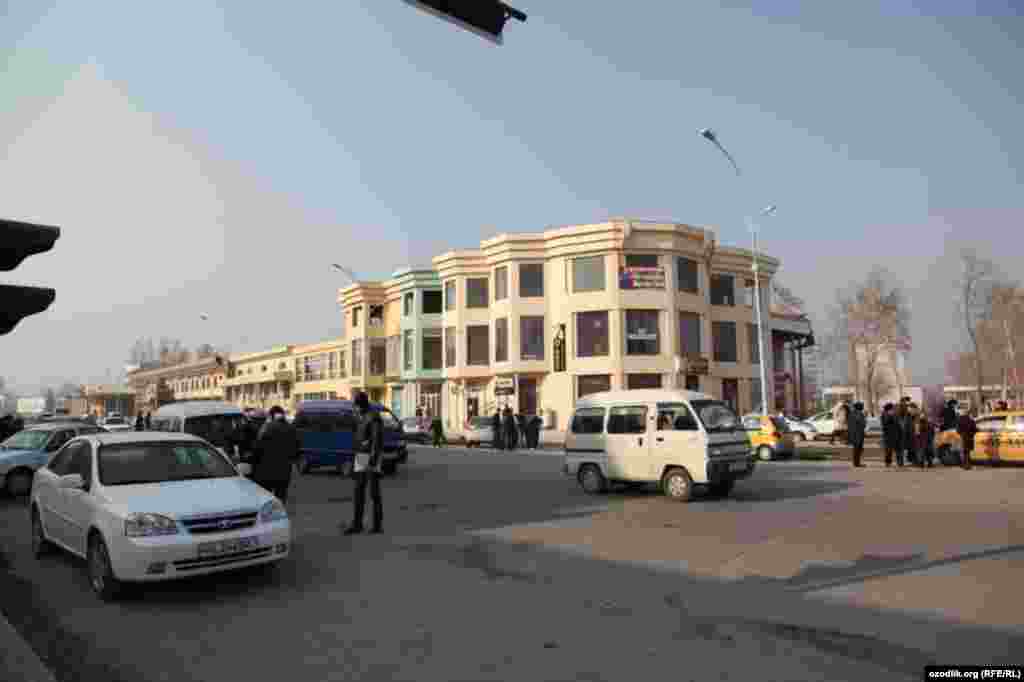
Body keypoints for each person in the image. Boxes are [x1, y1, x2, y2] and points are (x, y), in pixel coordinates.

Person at [345, 392, 384, 535]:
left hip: (371, 457)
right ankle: (357, 524)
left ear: (362, 405)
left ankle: (377, 525)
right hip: (361, 456)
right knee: (358, 491)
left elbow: (377, 438)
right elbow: (358, 437)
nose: (355, 408)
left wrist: (374, 457)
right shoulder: (360, 416)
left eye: (357, 406)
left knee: (374, 493)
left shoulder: (373, 417)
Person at [248, 405, 299, 503]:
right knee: (281, 496)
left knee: (266, 498)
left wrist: (253, 461)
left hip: (267, 469)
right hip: (284, 470)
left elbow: (258, 448)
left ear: (271, 416)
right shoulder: (291, 428)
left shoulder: (267, 428)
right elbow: (296, 449)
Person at [881, 403, 902, 467]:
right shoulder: (885, 414)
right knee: (888, 449)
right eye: (892, 408)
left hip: (894, 434)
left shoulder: (893, 414)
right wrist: (890, 416)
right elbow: (885, 424)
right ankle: (888, 462)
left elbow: (897, 423)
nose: (893, 409)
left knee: (896, 449)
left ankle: (898, 462)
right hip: (888, 435)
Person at [848, 402, 867, 467]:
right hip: (858, 434)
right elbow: (862, 423)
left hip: (854, 434)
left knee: (857, 449)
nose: (862, 407)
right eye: (862, 406)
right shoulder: (859, 414)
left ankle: (856, 463)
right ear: (859, 407)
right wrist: (864, 418)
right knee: (857, 449)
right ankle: (857, 463)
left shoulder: (852, 413)